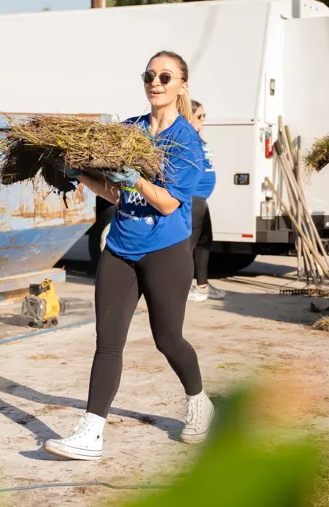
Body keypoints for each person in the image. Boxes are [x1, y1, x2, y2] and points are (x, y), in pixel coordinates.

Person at [44, 51, 214, 461]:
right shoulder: (130, 131)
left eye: (165, 76)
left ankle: (199, 403)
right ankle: (91, 432)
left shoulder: (185, 140)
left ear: (181, 86)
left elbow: (171, 203)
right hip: (120, 248)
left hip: (165, 251)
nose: (155, 82)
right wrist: (79, 175)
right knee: (108, 344)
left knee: (168, 340)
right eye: (149, 75)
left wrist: (136, 176)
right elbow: (117, 194)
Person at [187, 99, 226, 302]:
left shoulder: (197, 137)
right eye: (199, 116)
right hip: (192, 197)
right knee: (189, 244)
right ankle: (180, 288)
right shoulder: (185, 138)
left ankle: (202, 287)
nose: (203, 120)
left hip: (201, 197)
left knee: (204, 242)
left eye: (204, 116)